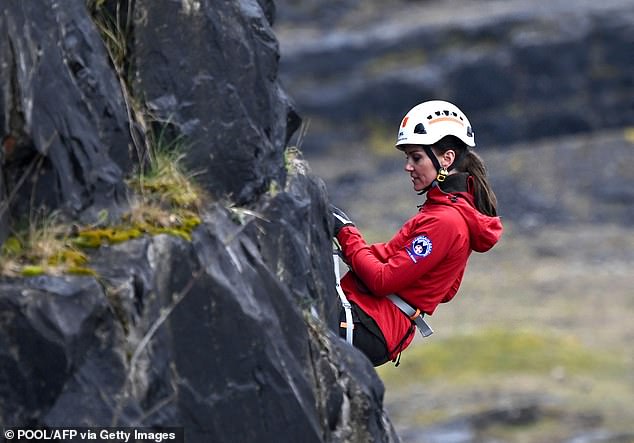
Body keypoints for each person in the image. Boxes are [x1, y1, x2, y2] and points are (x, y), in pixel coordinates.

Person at [331, 100, 503, 366]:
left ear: (446, 159)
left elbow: (382, 279)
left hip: (368, 325)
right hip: (371, 322)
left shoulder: (445, 222)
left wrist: (346, 233)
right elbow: (441, 288)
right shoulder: (442, 213)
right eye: (407, 158)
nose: (408, 167)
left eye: (416, 157)